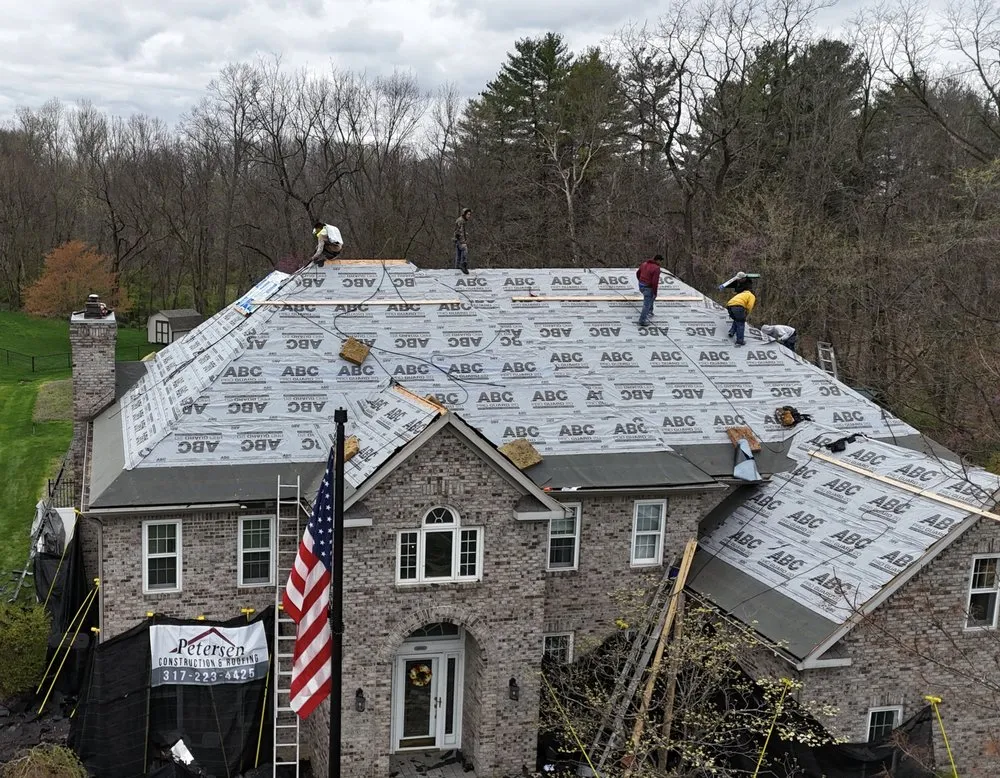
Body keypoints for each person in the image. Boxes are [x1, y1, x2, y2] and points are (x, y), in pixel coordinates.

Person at [635, 254, 662, 327]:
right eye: (660, 261)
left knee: (650, 299)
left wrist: (640, 281)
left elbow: (638, 273)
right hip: (648, 287)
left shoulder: (644, 264)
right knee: (647, 304)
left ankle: (650, 311)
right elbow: (654, 282)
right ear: (658, 260)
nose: (661, 263)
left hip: (641, 286)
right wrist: (655, 292)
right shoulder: (656, 268)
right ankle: (642, 320)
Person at [454, 208, 471, 274]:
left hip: (458, 240)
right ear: (464, 214)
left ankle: (457, 266)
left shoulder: (463, 221)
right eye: (468, 214)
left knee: (458, 254)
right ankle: (463, 264)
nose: (469, 216)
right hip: (459, 240)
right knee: (464, 249)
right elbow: (459, 232)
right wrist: (463, 241)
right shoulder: (461, 221)